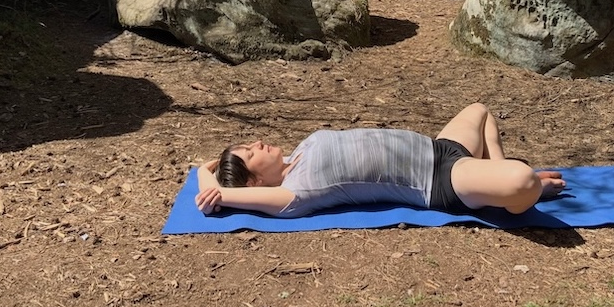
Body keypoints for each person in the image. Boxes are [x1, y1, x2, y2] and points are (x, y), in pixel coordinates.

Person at [194, 102, 565, 217]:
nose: (258, 142)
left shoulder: (298, 153)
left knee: (479, 110)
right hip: (443, 180)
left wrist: (210, 164)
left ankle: (501, 185)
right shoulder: (295, 192)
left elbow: (214, 170)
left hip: (440, 148)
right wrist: (206, 178)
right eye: (250, 152)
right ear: (255, 183)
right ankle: (516, 196)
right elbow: (219, 196)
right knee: (522, 181)